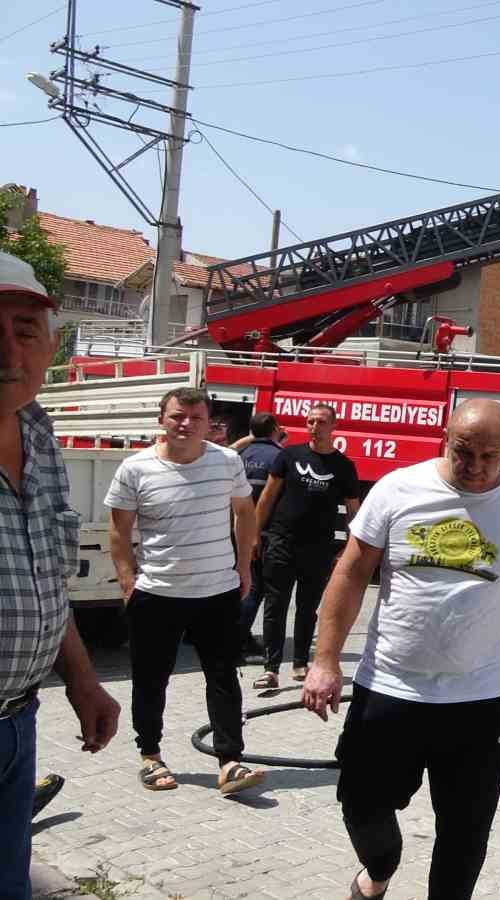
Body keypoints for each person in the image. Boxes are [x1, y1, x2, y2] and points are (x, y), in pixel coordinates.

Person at [302, 398, 500, 900]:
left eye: (490, 456)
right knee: (361, 805)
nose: (476, 468)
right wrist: (325, 660)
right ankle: (378, 870)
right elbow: (352, 573)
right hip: (390, 690)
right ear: (446, 438)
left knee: (465, 837)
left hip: (478, 703)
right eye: (464, 452)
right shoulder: (399, 489)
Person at [0, 250, 120, 897]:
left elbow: (48, 576)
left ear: (50, 348)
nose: (8, 354)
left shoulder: (40, 440)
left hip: (18, 724)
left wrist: (82, 679)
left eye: (25, 333)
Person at [105, 386, 265, 795]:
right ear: (162, 418)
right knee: (151, 678)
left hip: (217, 591)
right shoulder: (135, 469)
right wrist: (128, 584)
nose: (186, 424)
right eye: (177, 416)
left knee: (224, 677)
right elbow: (119, 533)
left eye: (195, 418)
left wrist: (243, 565)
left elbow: (244, 513)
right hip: (157, 593)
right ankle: (151, 755)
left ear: (208, 422)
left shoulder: (227, 462)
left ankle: (230, 761)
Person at [253, 404, 360, 688]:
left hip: (318, 549)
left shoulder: (343, 466)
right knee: (275, 605)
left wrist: (351, 546)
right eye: (310, 421)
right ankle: (271, 667)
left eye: (321, 421)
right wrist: (255, 534)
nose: (314, 426)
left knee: (307, 607)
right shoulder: (289, 456)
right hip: (281, 542)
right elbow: (267, 496)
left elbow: (353, 511)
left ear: (333, 426)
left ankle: (300, 662)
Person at [235, 413, 284, 662]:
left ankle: (234, 638)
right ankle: (238, 642)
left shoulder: (239, 456)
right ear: (274, 428)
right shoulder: (279, 458)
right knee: (254, 589)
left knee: (236, 586)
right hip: (261, 534)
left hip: (233, 531)